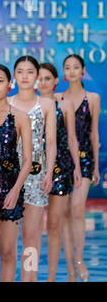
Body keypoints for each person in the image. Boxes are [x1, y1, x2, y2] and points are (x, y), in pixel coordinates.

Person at [8, 55, 56, 282]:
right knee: (8, 239)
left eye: (30, 72)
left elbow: (51, 142)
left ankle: (30, 278)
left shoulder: (46, 104)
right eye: (20, 71)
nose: (25, 76)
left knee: (30, 234)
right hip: (9, 176)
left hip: (36, 176)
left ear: (37, 76)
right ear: (14, 76)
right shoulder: (6, 103)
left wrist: (49, 173)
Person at [0, 64, 32, 282]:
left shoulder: (20, 117)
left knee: (7, 252)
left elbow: (28, 161)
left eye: (0, 81)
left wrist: (15, 191)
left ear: (9, 84)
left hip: (10, 191)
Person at [57, 54, 101, 282]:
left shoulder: (92, 98)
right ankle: (70, 269)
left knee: (76, 209)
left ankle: (80, 258)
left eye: (76, 67)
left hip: (84, 160)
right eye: (68, 67)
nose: (72, 71)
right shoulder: (57, 97)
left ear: (83, 70)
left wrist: (95, 166)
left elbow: (94, 132)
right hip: (63, 161)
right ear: (63, 72)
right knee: (64, 214)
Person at [38, 63, 82, 281]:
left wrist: (77, 167)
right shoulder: (29, 106)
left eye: (47, 78)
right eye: (39, 78)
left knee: (55, 224)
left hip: (60, 168)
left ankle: (52, 277)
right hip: (34, 170)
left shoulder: (65, 105)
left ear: (55, 81)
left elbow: (72, 138)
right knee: (33, 228)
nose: (42, 82)